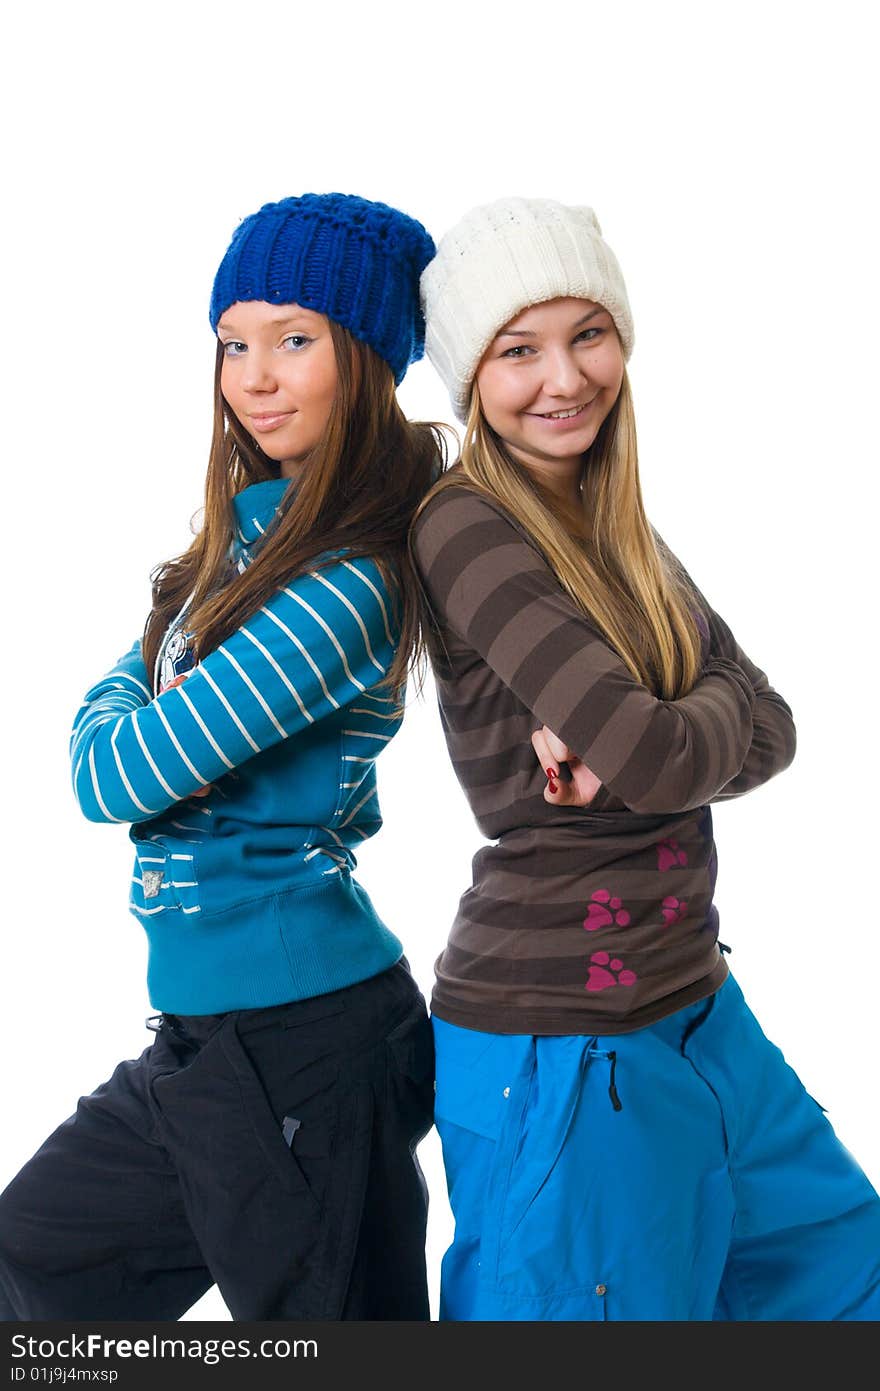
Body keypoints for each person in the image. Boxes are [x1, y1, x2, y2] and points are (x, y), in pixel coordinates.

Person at [410, 196, 880, 1321]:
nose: (563, 377)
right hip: (559, 1045)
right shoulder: (466, 522)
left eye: (588, 332)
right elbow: (667, 757)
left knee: (843, 1274)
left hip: (697, 1007)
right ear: (472, 375)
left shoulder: (612, 521)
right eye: (518, 350)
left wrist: (666, 716)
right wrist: (668, 721)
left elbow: (772, 724)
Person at [0, 192, 442, 1321]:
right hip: (205, 1046)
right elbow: (127, 701)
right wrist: (145, 675)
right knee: (30, 1267)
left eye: (294, 339)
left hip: (306, 1045)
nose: (254, 373)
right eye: (233, 342)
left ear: (366, 360)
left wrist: (141, 683)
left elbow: (116, 770)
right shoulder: (244, 544)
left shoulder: (349, 580)